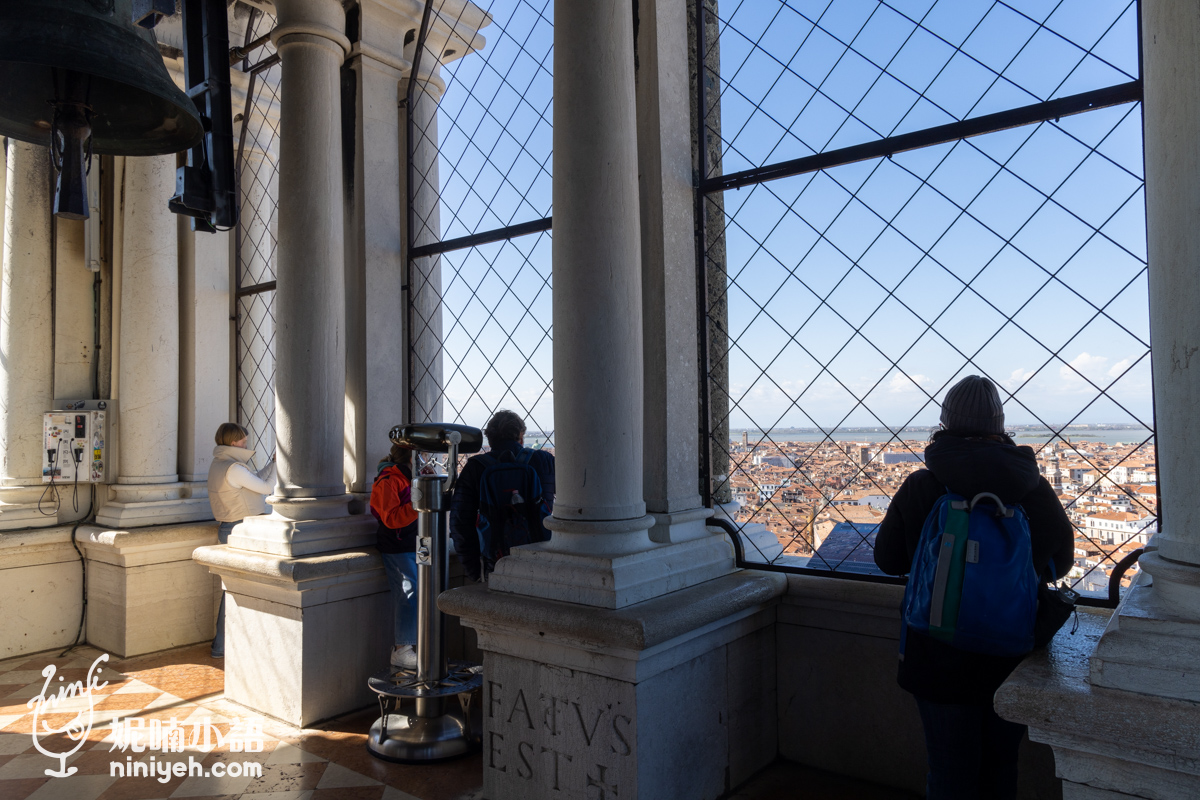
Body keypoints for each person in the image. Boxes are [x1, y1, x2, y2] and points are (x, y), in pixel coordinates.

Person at [873, 375, 1074, 800]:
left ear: (944, 423)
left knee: (949, 768)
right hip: (1012, 647)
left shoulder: (922, 485)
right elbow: (1063, 563)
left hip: (937, 651)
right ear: (1000, 425)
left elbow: (887, 560)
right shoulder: (1032, 488)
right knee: (1001, 765)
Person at [449, 410, 555, 582]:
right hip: (540, 561)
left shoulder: (475, 468)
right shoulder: (545, 461)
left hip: (494, 564)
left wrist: (474, 571)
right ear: (521, 437)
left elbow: (460, 523)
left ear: (490, 440)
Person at [206, 422, 276, 659]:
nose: (246, 444)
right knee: (237, 592)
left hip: (230, 527)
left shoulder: (221, 464)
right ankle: (223, 646)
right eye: (243, 441)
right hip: (240, 529)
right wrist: (279, 465)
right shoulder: (234, 468)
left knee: (232, 591)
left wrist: (273, 464)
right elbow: (266, 487)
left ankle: (221, 646)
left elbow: (254, 480)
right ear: (233, 441)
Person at [370, 443, 420, 669]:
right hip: (398, 545)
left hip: (412, 543)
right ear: (413, 458)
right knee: (408, 595)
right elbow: (390, 518)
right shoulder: (389, 480)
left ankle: (412, 645)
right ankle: (403, 649)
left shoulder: (406, 477)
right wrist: (419, 504)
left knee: (414, 594)